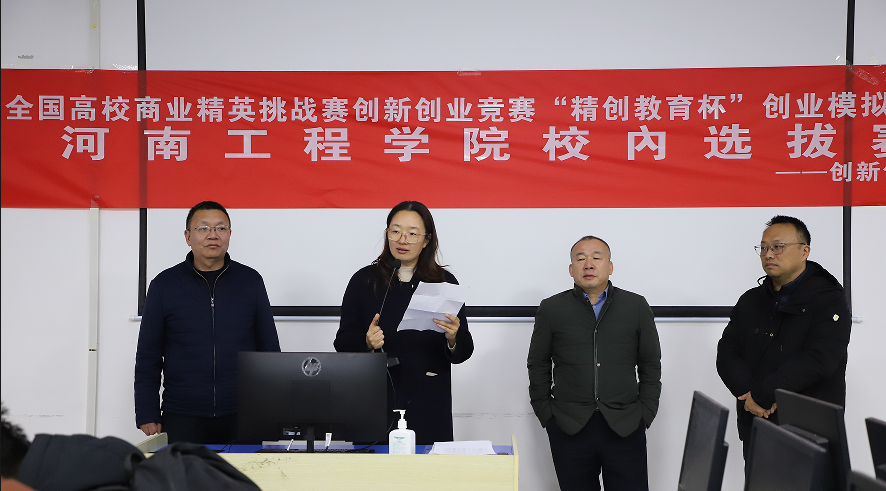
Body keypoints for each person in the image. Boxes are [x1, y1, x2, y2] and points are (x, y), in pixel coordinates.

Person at [134, 201, 280, 444]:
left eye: (221, 228)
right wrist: (147, 411)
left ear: (229, 235)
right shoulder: (164, 285)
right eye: (203, 228)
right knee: (185, 471)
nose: (213, 235)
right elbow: (148, 355)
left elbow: (270, 350)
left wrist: (274, 407)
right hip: (182, 412)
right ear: (188, 236)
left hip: (243, 412)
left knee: (247, 470)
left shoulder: (250, 281)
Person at [333, 201, 473, 445]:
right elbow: (342, 342)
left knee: (427, 468)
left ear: (427, 240)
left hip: (428, 400)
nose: (402, 240)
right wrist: (366, 342)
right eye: (395, 231)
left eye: (412, 233)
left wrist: (453, 338)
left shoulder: (444, 282)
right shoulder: (364, 280)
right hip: (375, 400)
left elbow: (464, 350)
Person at [528, 236, 661, 491]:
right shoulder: (552, 309)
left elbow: (650, 364)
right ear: (571, 269)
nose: (588, 264)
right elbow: (538, 363)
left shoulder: (636, 306)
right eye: (580, 259)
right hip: (569, 426)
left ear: (610, 266)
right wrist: (546, 414)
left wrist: (645, 413)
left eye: (596, 258)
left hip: (625, 425)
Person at [717, 215, 851, 458]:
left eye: (778, 247)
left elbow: (819, 359)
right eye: (763, 248)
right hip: (756, 423)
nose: (768, 254)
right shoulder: (750, 300)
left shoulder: (829, 299)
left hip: (809, 432)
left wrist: (764, 394)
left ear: (804, 251)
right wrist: (749, 393)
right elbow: (727, 351)